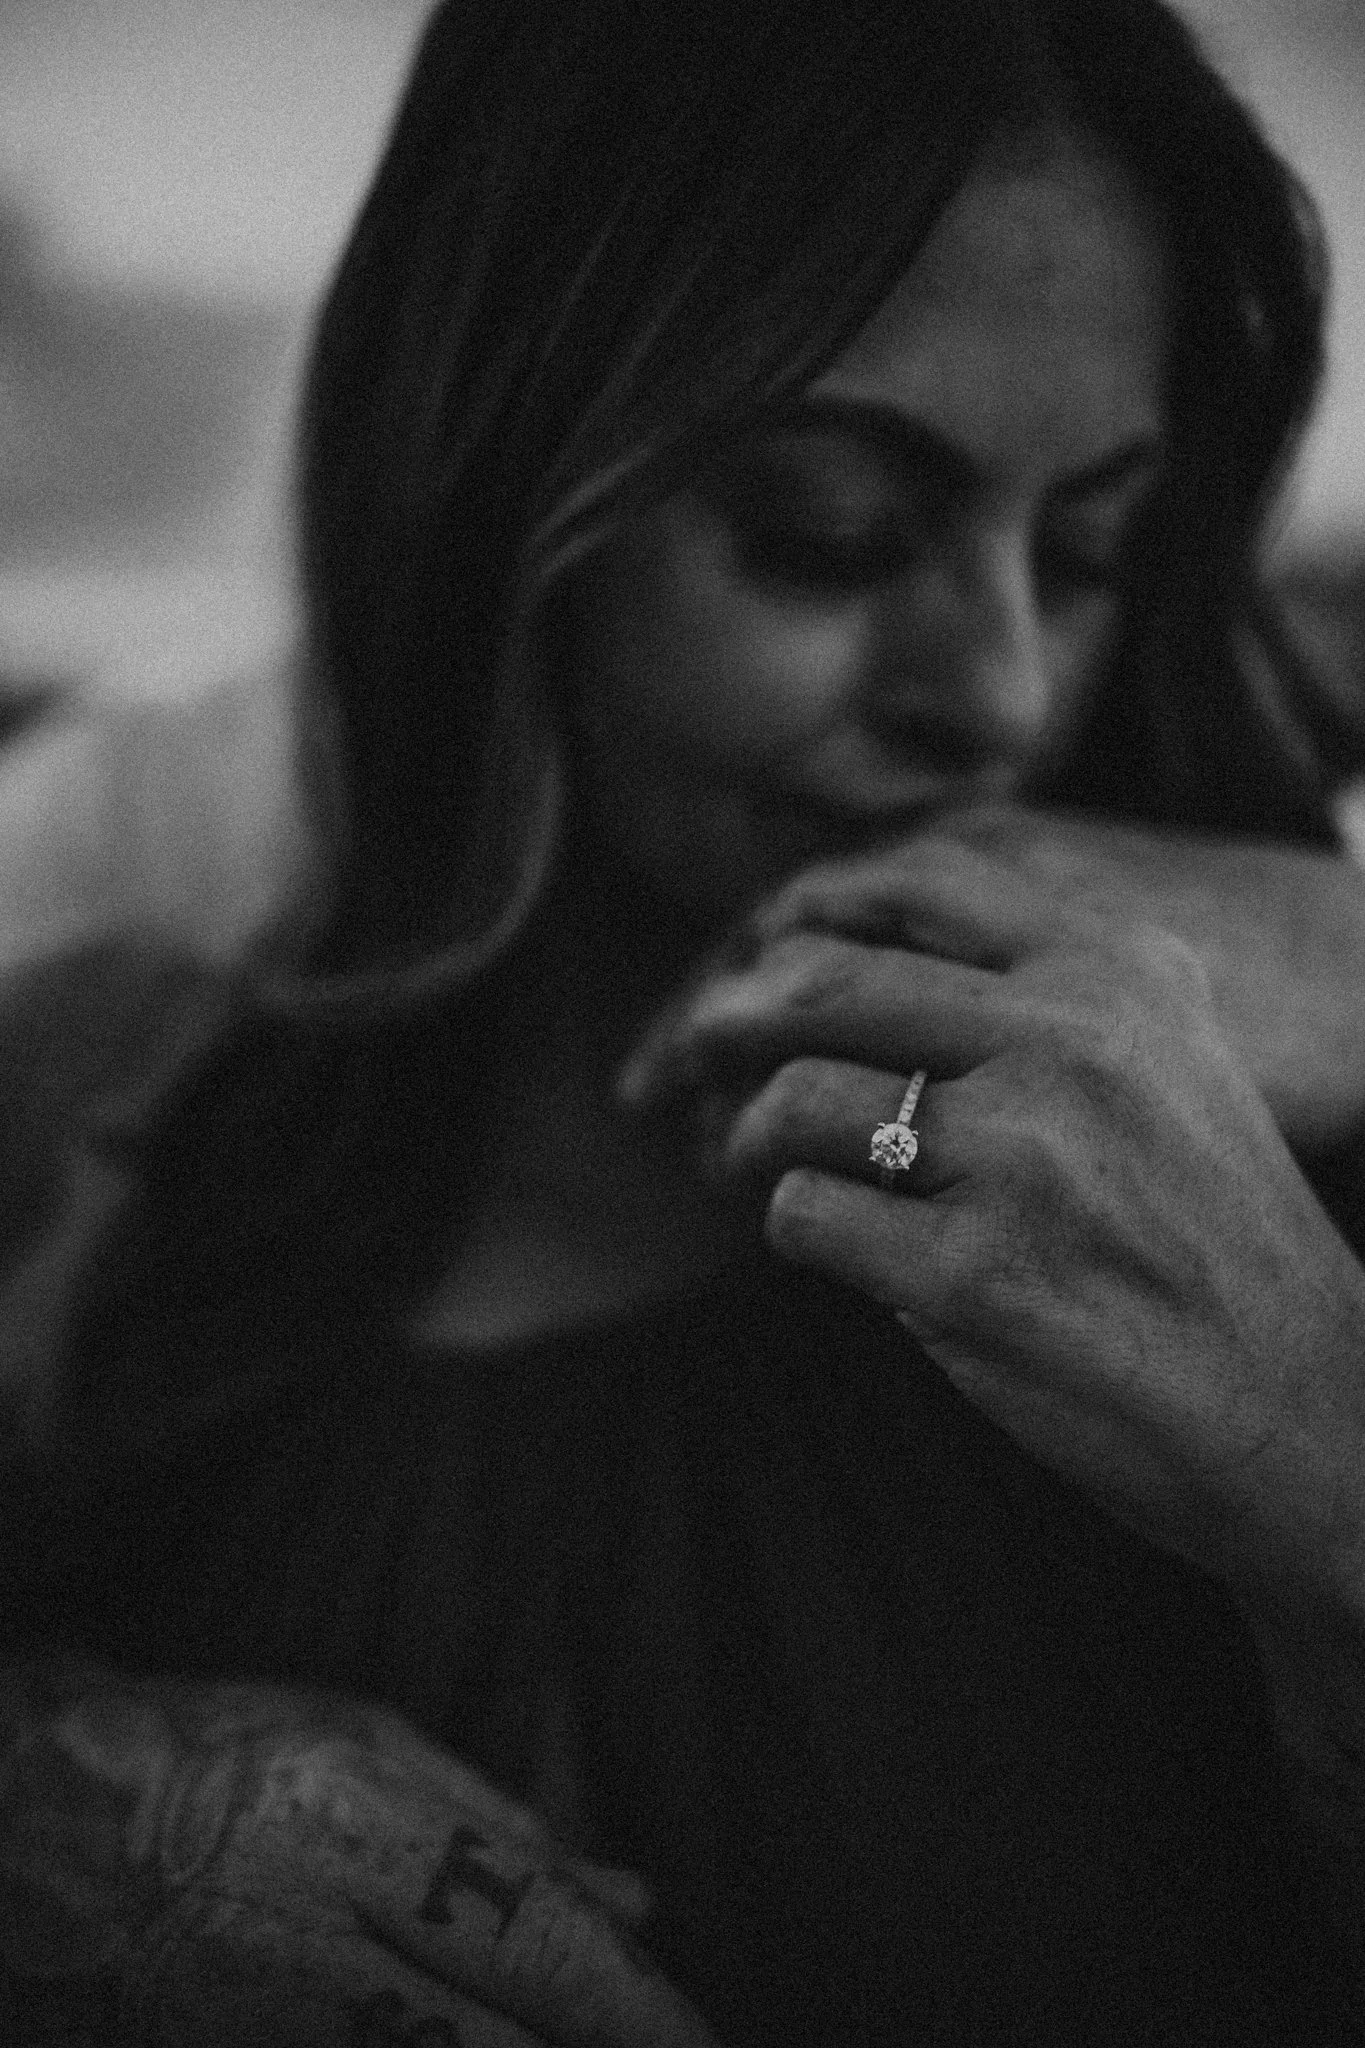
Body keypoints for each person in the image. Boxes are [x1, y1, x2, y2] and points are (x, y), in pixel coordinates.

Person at [5, 0, 1365, 2040]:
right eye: (826, 530)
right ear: (495, 493)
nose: (993, 692)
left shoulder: (1277, 1152)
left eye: (1090, 547)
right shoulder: (115, 1117)